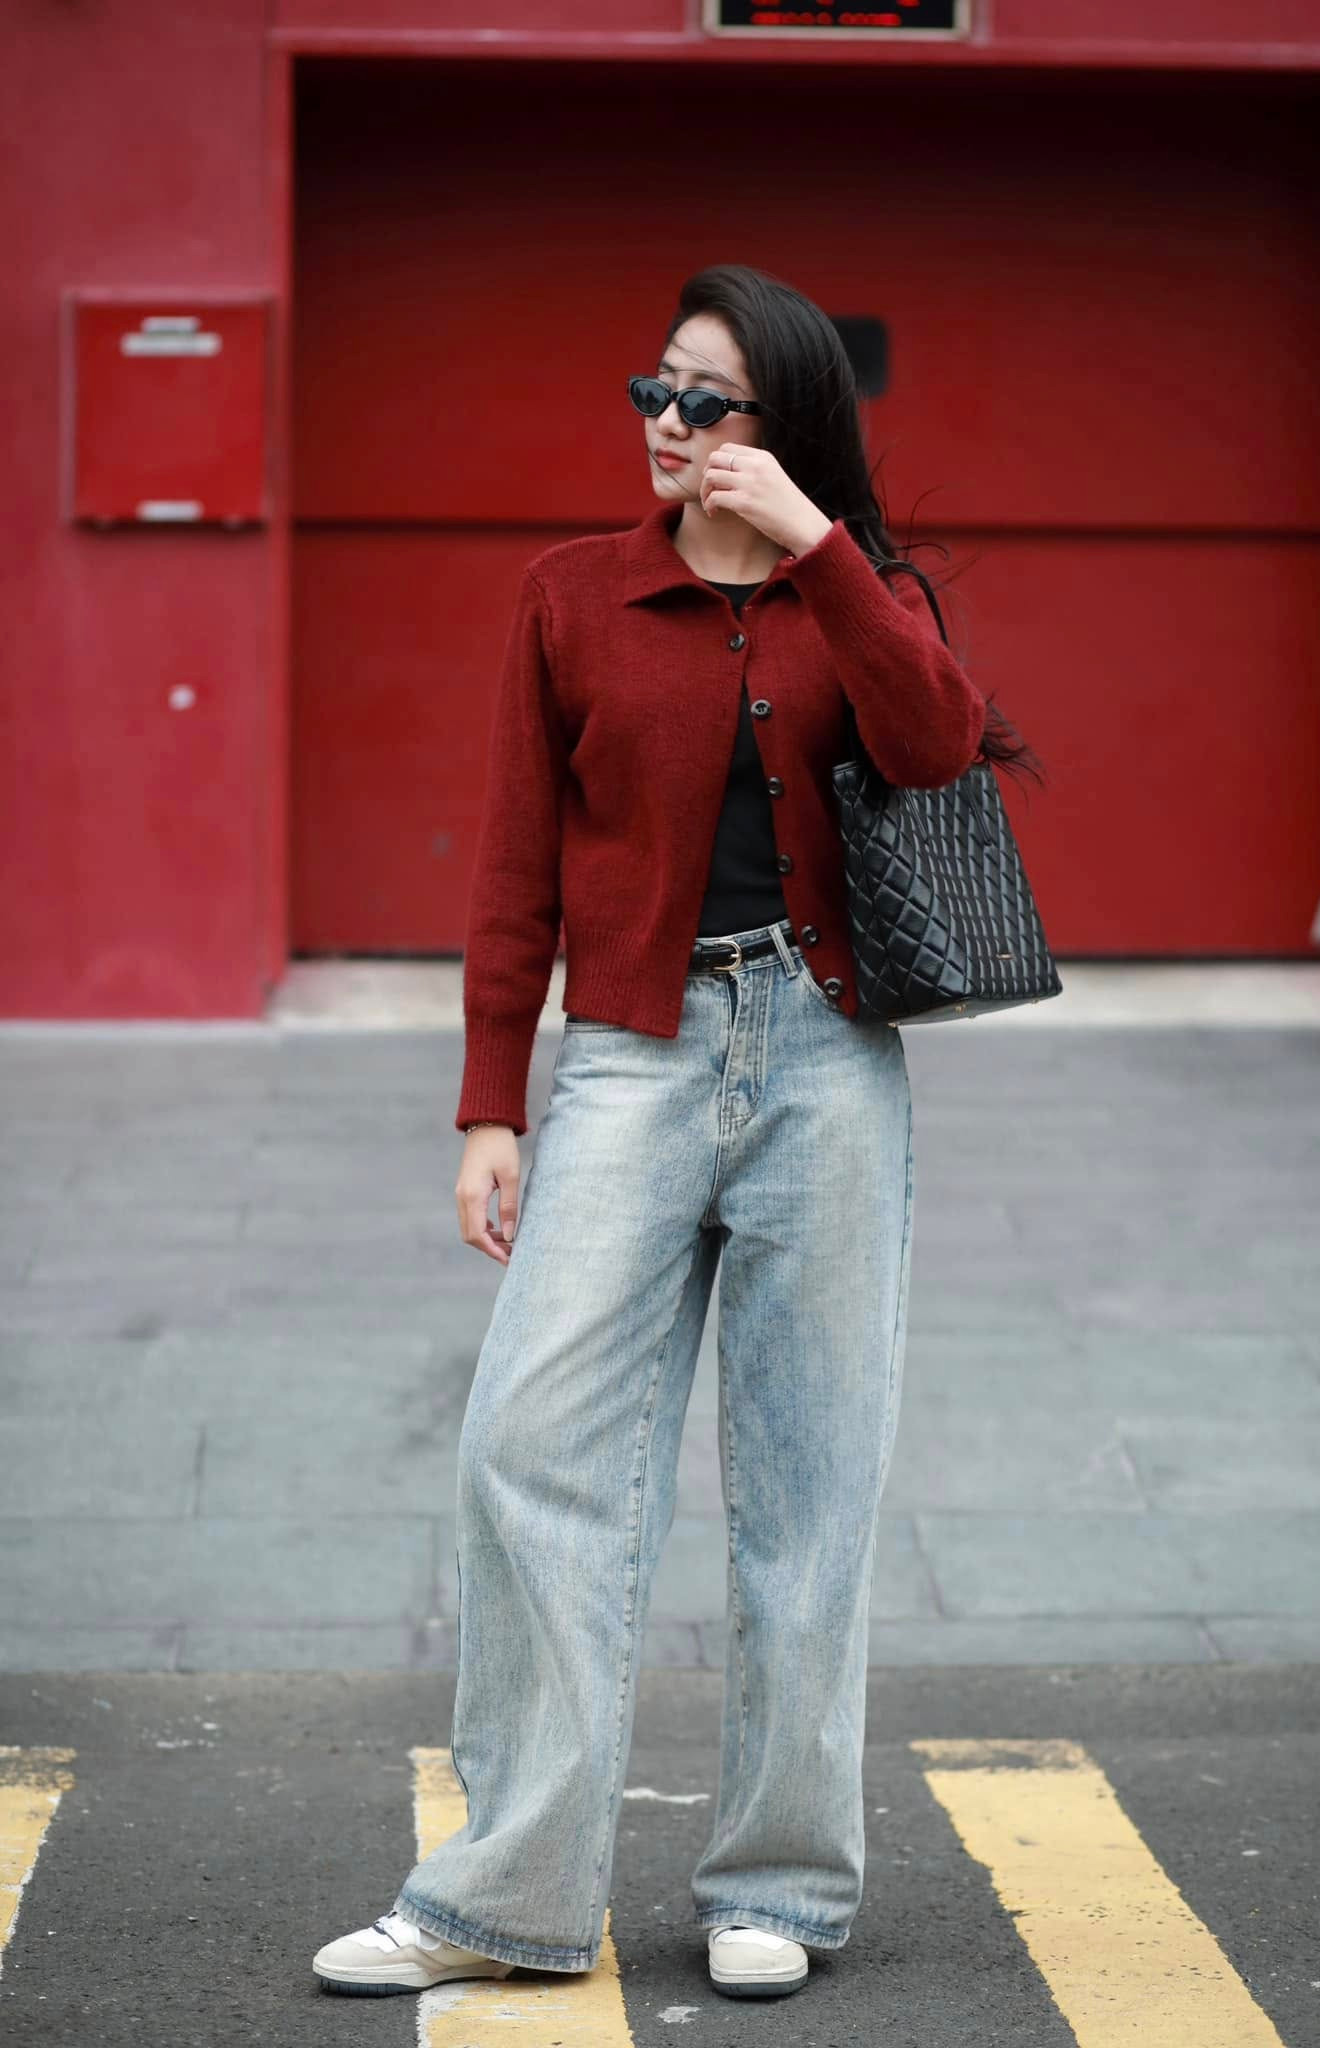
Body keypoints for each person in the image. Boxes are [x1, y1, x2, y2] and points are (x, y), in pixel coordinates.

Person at [313, 261, 1021, 2004]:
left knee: (807, 1487)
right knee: (527, 1445)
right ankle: (506, 1895)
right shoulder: (570, 595)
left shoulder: (858, 591)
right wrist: (491, 1102)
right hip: (632, 1058)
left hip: (828, 1058)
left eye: (706, 399)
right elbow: (512, 863)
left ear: (781, 426)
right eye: (655, 388)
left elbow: (935, 745)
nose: (667, 421)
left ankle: (777, 1884)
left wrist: (818, 548)